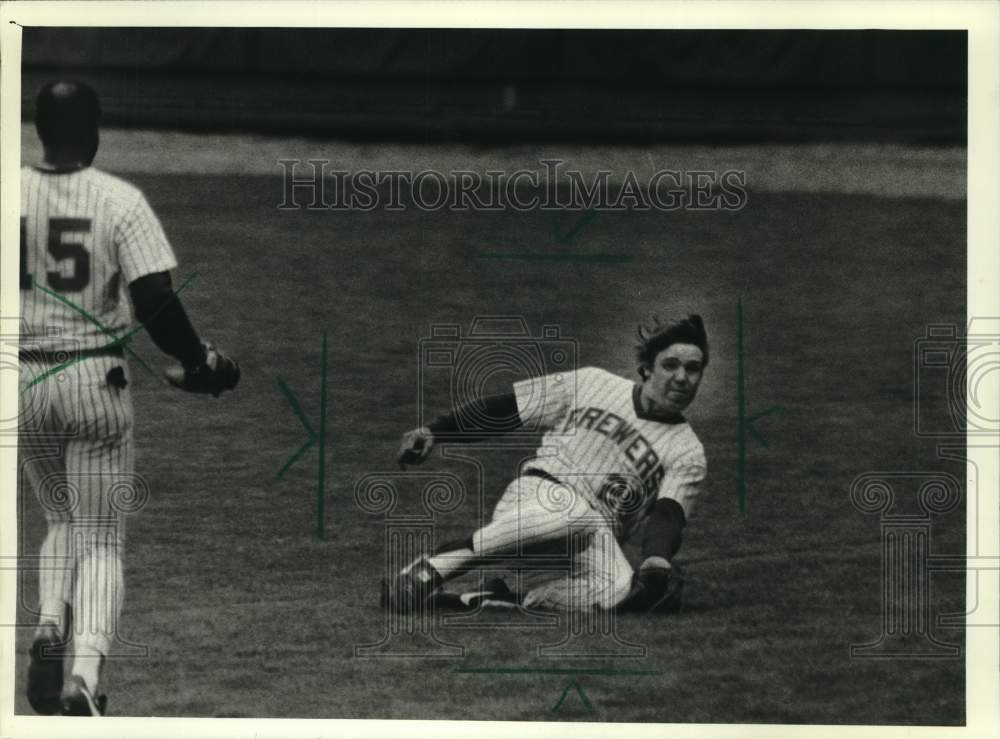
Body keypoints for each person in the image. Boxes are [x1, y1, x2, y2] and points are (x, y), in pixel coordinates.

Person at [19, 80, 239, 717]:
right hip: (95, 386)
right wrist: (199, 362)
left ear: (38, 131)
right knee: (102, 542)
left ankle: (47, 627)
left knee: (59, 519)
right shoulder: (120, 200)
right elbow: (155, 303)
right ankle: (84, 677)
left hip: (23, 386)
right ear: (94, 132)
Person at [388, 315, 708, 614]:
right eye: (670, 365)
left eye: (693, 369)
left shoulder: (687, 451)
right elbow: (511, 408)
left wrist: (656, 562)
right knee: (575, 513)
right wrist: (437, 430)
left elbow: (669, 514)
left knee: (627, 591)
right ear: (647, 368)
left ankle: (499, 599)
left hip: (591, 540)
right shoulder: (592, 383)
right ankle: (429, 569)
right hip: (537, 499)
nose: (681, 377)